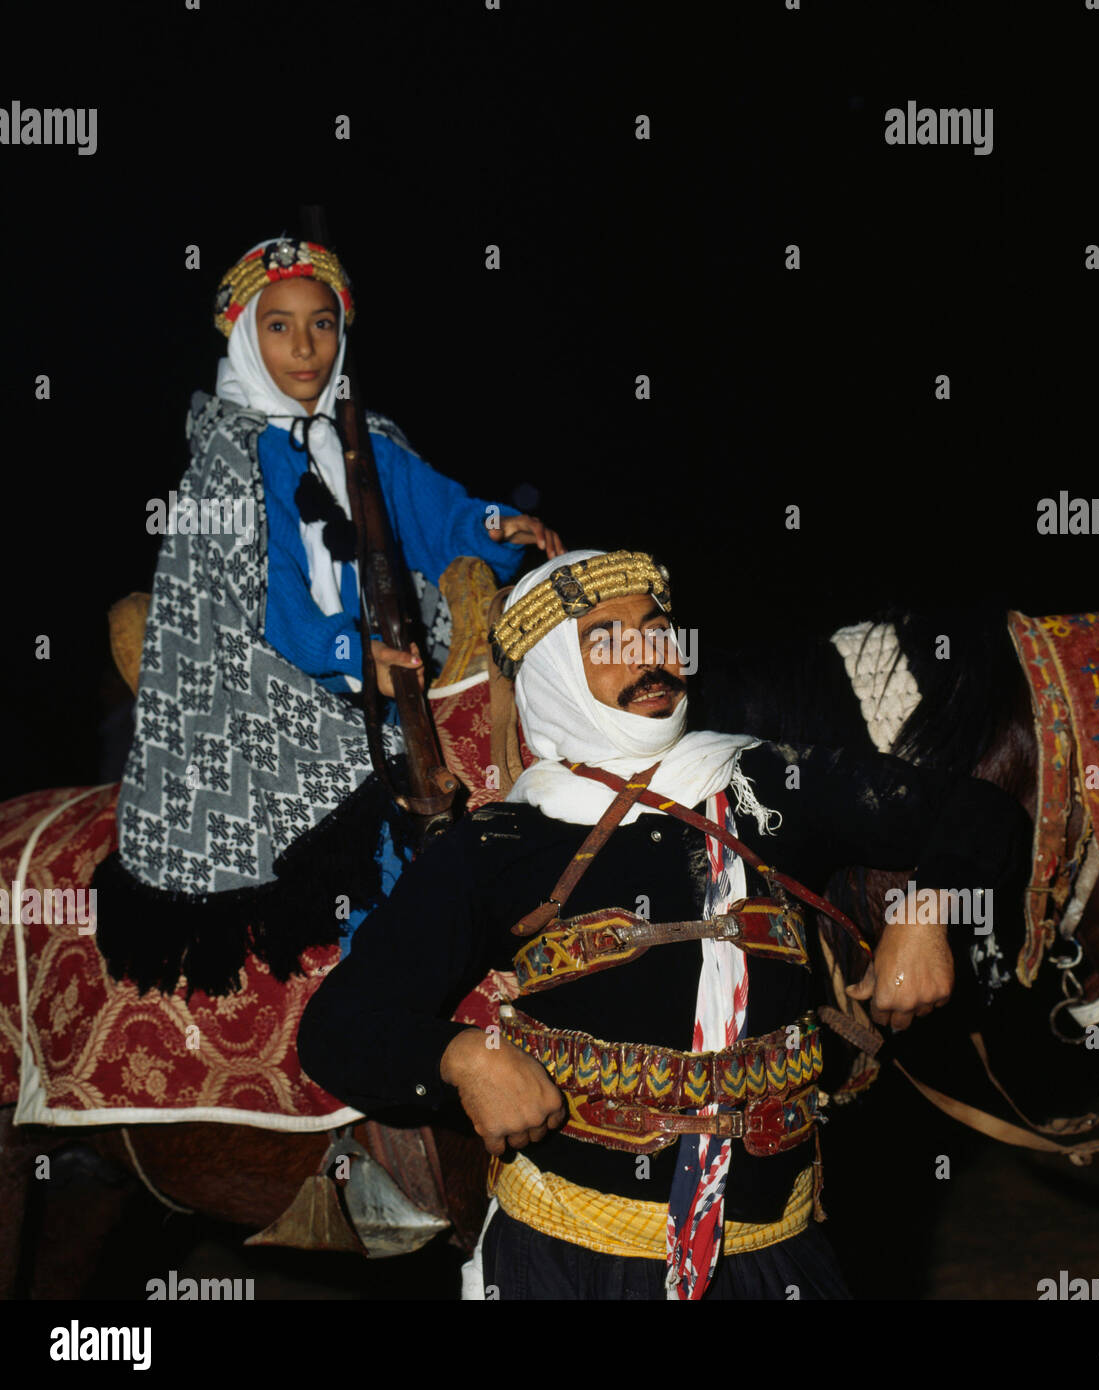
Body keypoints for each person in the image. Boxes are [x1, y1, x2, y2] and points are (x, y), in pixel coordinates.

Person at [298, 548, 1032, 1300]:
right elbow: (337, 1029)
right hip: (569, 1262)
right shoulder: (501, 845)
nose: (649, 654)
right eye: (606, 639)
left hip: (773, 1257)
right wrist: (460, 1056)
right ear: (551, 669)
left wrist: (927, 908)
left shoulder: (766, 782)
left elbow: (979, 811)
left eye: (657, 629)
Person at [93, 235, 563, 998]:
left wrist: (493, 527)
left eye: (323, 324)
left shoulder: (364, 438)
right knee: (378, 798)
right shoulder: (226, 461)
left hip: (380, 665)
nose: (306, 348)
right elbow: (255, 599)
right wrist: (348, 649)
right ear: (246, 335)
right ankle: (370, 1009)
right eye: (279, 326)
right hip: (275, 681)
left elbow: (435, 511)